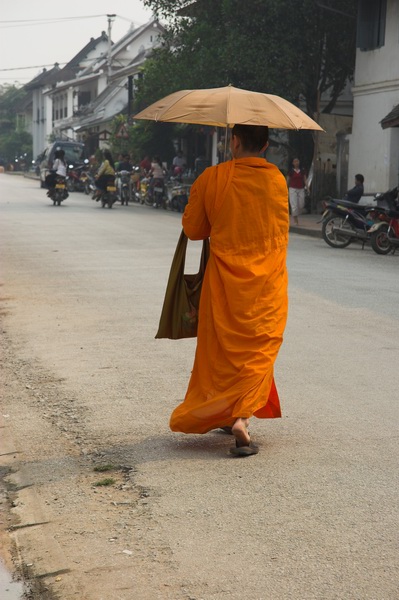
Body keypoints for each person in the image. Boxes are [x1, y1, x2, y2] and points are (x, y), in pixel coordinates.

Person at [169, 124, 289, 457]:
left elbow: (194, 230)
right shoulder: (277, 180)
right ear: (264, 145)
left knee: (221, 353)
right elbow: (278, 231)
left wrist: (212, 192)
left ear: (233, 141)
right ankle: (239, 416)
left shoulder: (212, 178)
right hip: (266, 286)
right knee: (259, 349)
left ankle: (229, 412)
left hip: (223, 286)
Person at [286, 157, 308, 225]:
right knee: (294, 205)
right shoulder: (291, 171)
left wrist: (307, 187)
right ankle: (296, 220)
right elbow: (288, 180)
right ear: (293, 163)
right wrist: (285, 188)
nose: (296, 163)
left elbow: (305, 180)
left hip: (301, 189)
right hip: (292, 189)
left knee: (301, 204)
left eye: (297, 161)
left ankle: (296, 214)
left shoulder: (302, 170)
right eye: (295, 161)